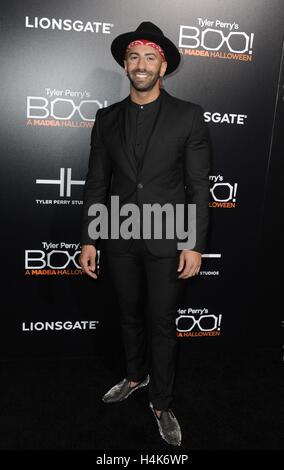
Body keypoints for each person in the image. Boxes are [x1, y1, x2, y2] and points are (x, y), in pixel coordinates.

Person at [79, 21, 211, 447]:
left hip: (167, 236)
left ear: (163, 66)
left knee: (160, 321)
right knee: (129, 313)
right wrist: (89, 238)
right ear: (125, 63)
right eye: (134, 56)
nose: (141, 64)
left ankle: (161, 402)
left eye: (150, 57)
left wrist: (192, 242)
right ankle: (135, 376)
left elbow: (197, 187)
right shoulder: (107, 118)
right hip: (117, 234)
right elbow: (97, 182)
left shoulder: (188, 115)